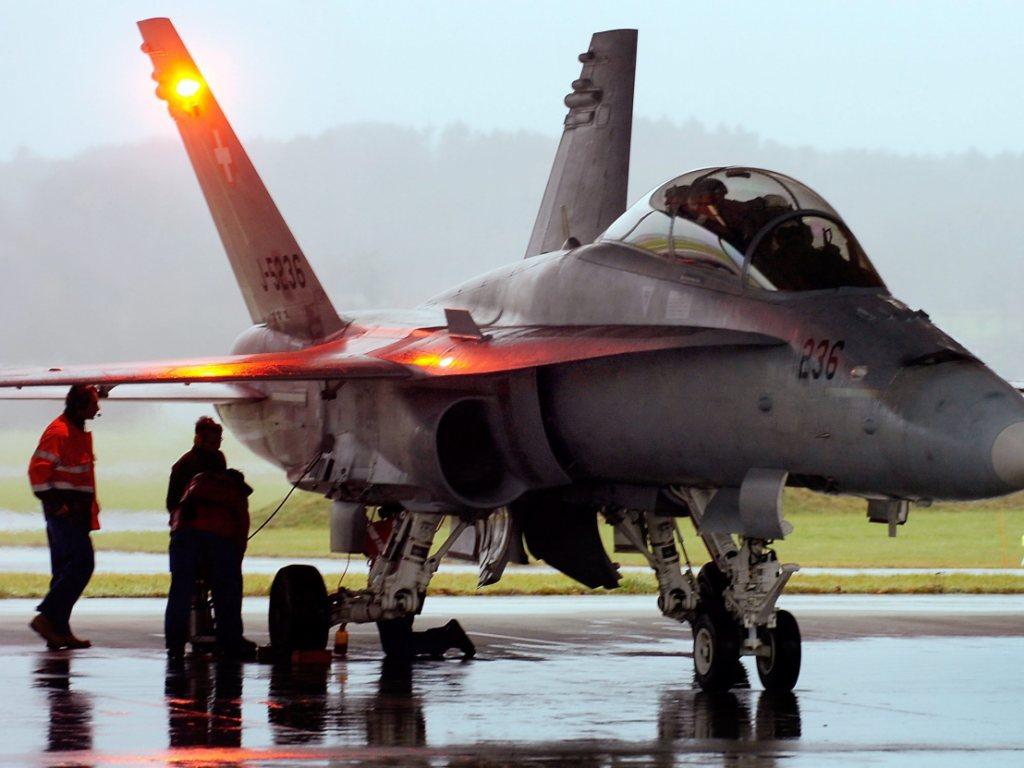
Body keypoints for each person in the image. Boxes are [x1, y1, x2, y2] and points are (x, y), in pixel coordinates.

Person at [164, 417, 255, 660]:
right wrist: (237, 549)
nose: (217, 445)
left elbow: (172, 504)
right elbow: (239, 518)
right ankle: (230, 639)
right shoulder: (221, 471)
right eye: (215, 440)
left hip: (185, 535)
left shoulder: (182, 464)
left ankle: (174, 644)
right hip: (217, 537)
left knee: (180, 590)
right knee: (227, 587)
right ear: (202, 439)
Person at [28, 384, 101, 650]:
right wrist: (57, 505)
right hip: (66, 516)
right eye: (94, 402)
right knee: (82, 564)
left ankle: (58, 630)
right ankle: (47, 616)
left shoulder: (75, 432)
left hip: (74, 514)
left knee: (63, 571)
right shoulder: (60, 433)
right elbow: (37, 472)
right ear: (81, 406)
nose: (98, 408)